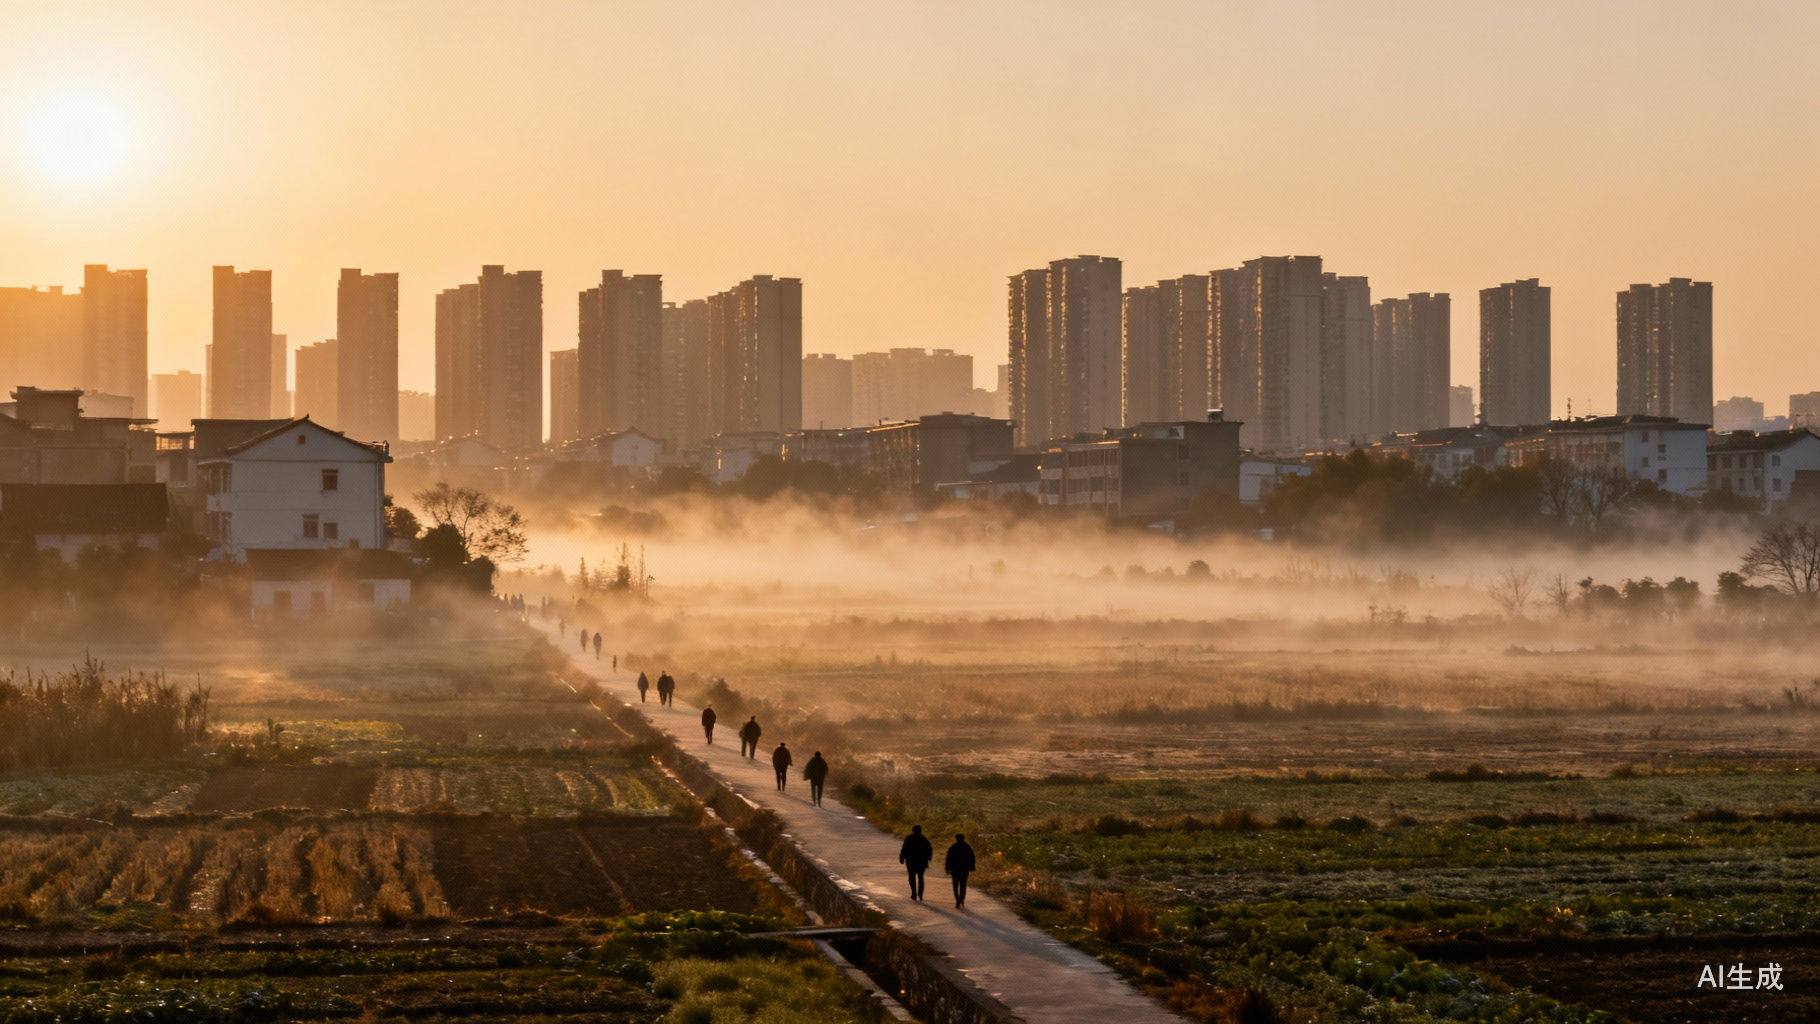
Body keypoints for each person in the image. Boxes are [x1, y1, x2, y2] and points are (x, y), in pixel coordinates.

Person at [898, 825, 933, 902]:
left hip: (911, 861)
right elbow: (929, 849)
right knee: (920, 877)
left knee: (912, 877)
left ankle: (914, 893)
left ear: (913, 830)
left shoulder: (909, 838)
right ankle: (920, 894)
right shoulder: (923, 839)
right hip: (921, 861)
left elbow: (904, 848)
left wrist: (902, 857)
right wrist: (928, 858)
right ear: (920, 830)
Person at [944, 833, 976, 908]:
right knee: (963, 884)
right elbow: (972, 857)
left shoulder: (953, 847)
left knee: (955, 884)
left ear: (956, 839)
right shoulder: (967, 847)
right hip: (964, 869)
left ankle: (957, 898)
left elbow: (948, 858)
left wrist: (947, 868)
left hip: (955, 868)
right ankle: (962, 898)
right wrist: (972, 867)